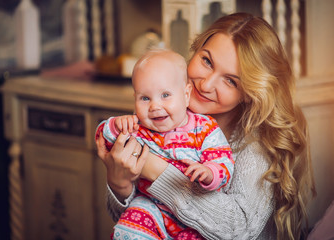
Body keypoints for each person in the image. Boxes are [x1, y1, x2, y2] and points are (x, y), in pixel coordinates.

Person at [96, 12, 316, 240]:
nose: (206, 84)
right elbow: (130, 220)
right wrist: (119, 184)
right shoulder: (162, 114)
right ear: (195, 50)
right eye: (207, 61)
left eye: (231, 81)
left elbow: (238, 228)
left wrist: (154, 169)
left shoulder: (256, 145)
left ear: (249, 94)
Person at [95, 49, 234, 239]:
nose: (155, 106)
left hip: (193, 219)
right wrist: (115, 124)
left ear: (186, 95)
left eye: (165, 95)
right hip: (151, 209)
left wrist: (209, 173)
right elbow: (105, 137)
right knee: (132, 222)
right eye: (145, 98)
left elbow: (224, 162)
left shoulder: (204, 128)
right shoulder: (138, 127)